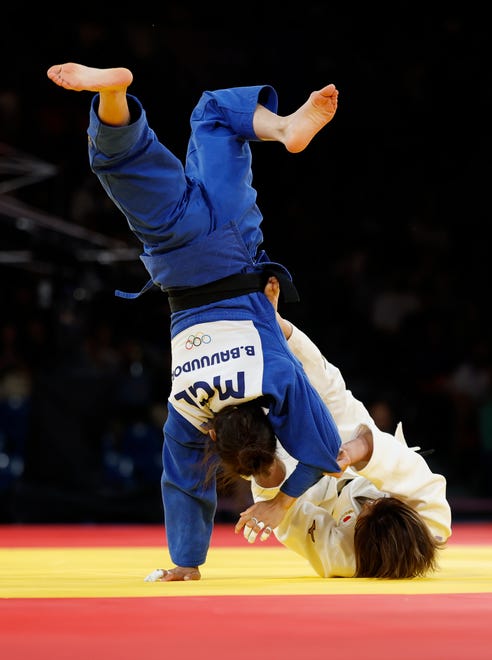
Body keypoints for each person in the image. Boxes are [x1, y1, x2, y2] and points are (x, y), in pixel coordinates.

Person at [46, 63, 345, 582]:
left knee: (213, 113)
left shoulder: (273, 378)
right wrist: (184, 563)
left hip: (236, 239)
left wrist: (283, 501)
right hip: (178, 256)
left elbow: (325, 455)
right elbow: (182, 480)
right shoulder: (189, 410)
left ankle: (282, 128)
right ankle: (114, 94)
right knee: (123, 163)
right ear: (214, 434)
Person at [213, 277, 452, 578]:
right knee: (331, 392)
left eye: (366, 514)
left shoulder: (345, 559)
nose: (369, 503)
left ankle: (229, 392)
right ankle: (276, 326)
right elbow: (402, 464)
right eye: (380, 503)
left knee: (257, 449)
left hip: (316, 495)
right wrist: (350, 454)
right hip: (361, 451)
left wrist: (275, 495)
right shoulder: (432, 521)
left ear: (360, 540)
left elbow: (293, 521)